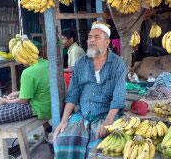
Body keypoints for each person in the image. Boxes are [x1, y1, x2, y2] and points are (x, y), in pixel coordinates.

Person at [53, 22, 127, 159]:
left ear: (107, 42)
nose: (91, 40)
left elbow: (119, 96)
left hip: (107, 114)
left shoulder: (117, 64)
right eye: (90, 37)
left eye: (97, 37)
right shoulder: (81, 64)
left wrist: (108, 121)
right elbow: (72, 95)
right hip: (83, 114)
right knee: (61, 141)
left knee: (102, 150)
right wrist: (63, 120)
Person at [0, 41, 51, 126]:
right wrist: (19, 93)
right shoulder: (48, 63)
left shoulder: (28, 72)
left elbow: (23, 101)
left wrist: (6, 101)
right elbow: (41, 87)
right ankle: (48, 130)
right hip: (52, 105)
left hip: (41, 109)